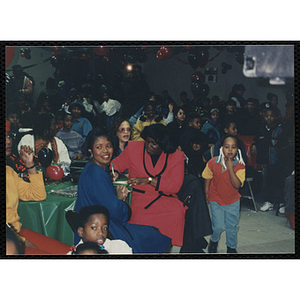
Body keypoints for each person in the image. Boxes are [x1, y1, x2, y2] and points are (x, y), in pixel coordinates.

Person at [74, 127, 171, 253]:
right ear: (90, 150)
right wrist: (123, 205)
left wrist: (117, 198)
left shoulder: (91, 168)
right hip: (104, 230)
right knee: (155, 236)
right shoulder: (97, 174)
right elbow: (116, 212)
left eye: (108, 146)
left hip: (93, 224)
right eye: (99, 147)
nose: (105, 151)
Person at [111, 124, 187, 247]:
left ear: (163, 145)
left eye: (153, 143)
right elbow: (115, 165)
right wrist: (113, 173)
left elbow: (175, 185)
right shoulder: (133, 148)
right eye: (147, 141)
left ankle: (165, 246)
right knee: (136, 218)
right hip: (138, 196)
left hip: (164, 197)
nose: (148, 146)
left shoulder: (177, 156)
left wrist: (149, 180)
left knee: (177, 211)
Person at [6, 121, 70, 254]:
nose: (7, 141)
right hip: (10, 240)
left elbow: (38, 195)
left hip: (17, 232)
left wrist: (30, 165)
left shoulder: (8, 172)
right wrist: (22, 241)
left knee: (68, 252)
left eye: (8, 136)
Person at [202, 135, 246, 253]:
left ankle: (231, 247)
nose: (230, 150)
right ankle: (214, 240)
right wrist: (206, 192)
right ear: (221, 148)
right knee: (218, 226)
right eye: (227, 147)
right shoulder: (213, 162)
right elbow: (207, 177)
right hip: (215, 199)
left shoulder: (240, 165)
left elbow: (237, 185)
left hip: (232, 201)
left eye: (233, 147)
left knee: (232, 226)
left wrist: (231, 168)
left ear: (238, 150)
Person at [250, 103, 289, 213]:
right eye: (267, 116)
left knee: (279, 182)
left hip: (277, 162)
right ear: (263, 116)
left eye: (271, 116)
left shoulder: (280, 130)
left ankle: (281, 203)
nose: (269, 118)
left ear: (275, 117)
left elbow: (284, 147)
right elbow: (257, 140)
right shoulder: (262, 129)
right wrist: (254, 145)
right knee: (266, 182)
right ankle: (268, 202)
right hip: (265, 162)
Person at [68, 205, 132, 254]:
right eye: (94, 228)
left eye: (104, 228)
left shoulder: (120, 248)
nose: (101, 232)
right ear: (81, 231)